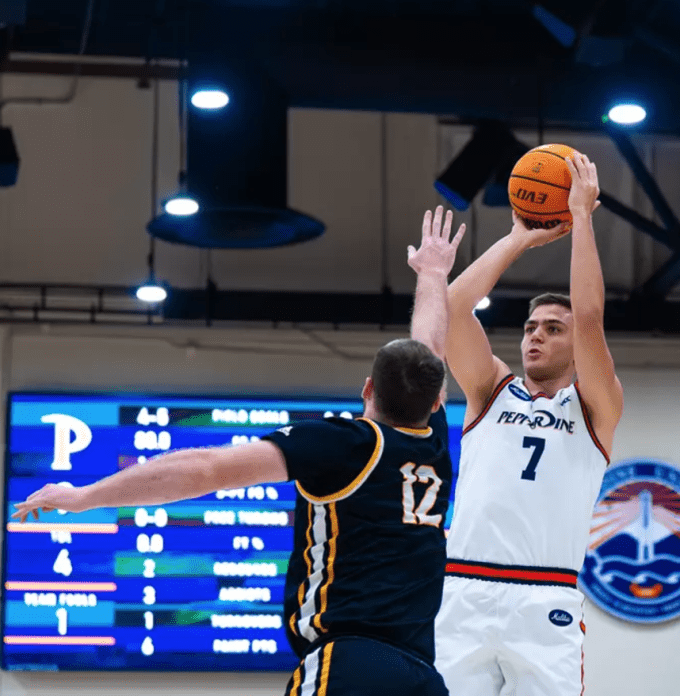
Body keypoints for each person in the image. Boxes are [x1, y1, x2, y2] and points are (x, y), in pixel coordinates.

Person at [12, 206, 467, 696]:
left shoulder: (345, 442)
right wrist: (435, 275)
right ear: (436, 398)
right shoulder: (436, 443)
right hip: (422, 672)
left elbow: (203, 469)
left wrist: (83, 496)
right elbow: (431, 347)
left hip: (350, 660)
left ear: (366, 390)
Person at [436, 152, 624, 695]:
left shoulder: (595, 408)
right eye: (529, 327)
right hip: (464, 590)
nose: (535, 336)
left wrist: (580, 217)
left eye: (552, 329)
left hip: (545, 600)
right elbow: (451, 309)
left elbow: (589, 317)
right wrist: (519, 236)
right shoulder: (490, 390)